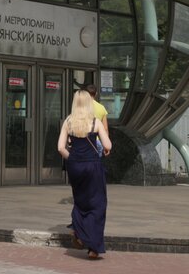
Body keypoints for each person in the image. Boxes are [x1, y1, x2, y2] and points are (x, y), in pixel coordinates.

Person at [57, 90, 112, 259]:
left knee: (80, 201)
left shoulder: (68, 121)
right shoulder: (95, 122)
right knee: (97, 204)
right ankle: (93, 248)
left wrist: (72, 159)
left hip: (75, 167)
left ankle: (79, 232)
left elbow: (60, 147)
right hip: (92, 166)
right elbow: (108, 144)